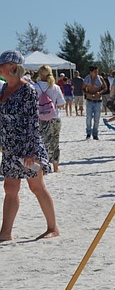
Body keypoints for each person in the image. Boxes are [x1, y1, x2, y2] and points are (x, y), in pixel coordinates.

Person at [0, 50, 60, 241]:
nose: (0, 68)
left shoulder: (28, 90)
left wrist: (31, 152)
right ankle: (5, 233)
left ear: (13, 67)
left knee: (37, 187)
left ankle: (53, 228)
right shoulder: (3, 89)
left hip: (28, 147)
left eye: (2, 65)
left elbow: (33, 123)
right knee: (10, 189)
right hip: (10, 148)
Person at [32, 65, 66, 173]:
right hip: (54, 117)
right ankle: (56, 167)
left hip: (40, 118)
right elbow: (61, 104)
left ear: (39, 74)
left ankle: (43, 167)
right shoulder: (55, 87)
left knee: (41, 142)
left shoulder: (34, 87)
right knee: (55, 142)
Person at [82, 65, 107, 140]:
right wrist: (87, 93)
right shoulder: (87, 78)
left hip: (98, 100)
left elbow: (105, 88)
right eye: (95, 72)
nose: (96, 73)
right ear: (91, 72)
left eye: (97, 72)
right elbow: (83, 88)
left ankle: (95, 133)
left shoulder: (100, 78)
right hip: (89, 100)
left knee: (97, 118)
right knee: (88, 118)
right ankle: (88, 133)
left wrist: (100, 93)